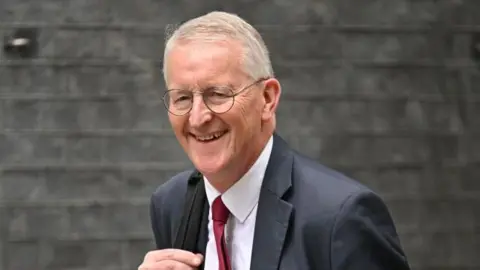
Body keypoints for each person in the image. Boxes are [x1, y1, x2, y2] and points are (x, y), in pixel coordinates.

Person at [138, 11, 411, 270]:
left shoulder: (341, 218)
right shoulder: (171, 204)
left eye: (218, 94)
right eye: (182, 98)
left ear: (267, 99)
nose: (197, 118)